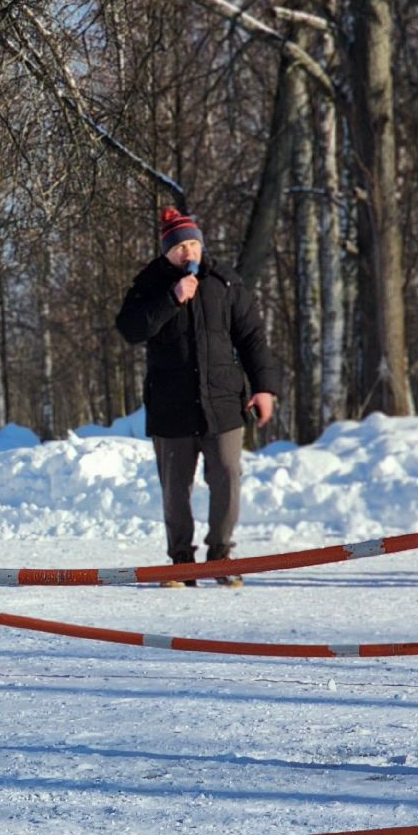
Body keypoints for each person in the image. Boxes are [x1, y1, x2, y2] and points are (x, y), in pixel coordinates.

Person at [115, 207, 279, 589]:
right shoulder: (151, 283)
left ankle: (220, 556)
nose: (188, 253)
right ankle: (181, 561)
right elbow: (130, 328)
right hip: (171, 406)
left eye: (193, 245)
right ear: (166, 252)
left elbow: (252, 336)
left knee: (226, 477)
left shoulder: (225, 282)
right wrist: (171, 298)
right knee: (175, 487)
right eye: (179, 248)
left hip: (223, 402)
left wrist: (265, 387)